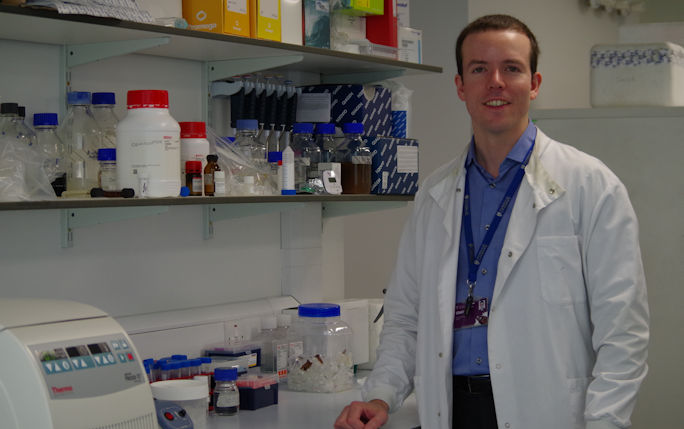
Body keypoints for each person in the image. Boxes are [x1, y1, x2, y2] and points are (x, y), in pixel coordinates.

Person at [334, 14, 649, 429]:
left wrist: (605, 422)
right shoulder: (434, 195)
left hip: (549, 410)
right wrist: (381, 394)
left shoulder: (591, 186)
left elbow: (623, 333)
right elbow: (405, 319)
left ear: (534, 84)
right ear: (461, 86)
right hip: (451, 409)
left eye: (512, 68)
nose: (495, 82)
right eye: (479, 69)